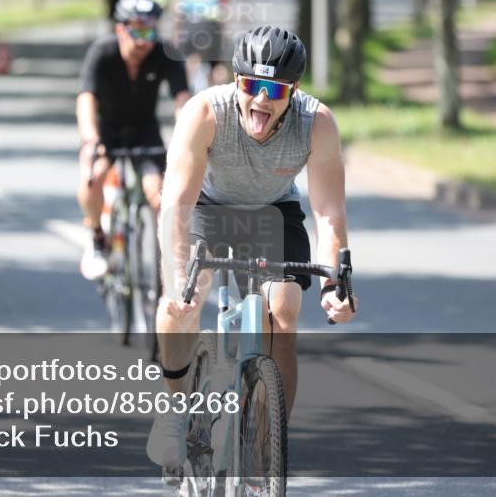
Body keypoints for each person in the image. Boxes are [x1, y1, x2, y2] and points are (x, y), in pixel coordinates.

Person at [147, 25, 357, 468]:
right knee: (180, 304)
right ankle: (174, 409)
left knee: (283, 311)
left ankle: (266, 444)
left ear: (294, 90)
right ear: (236, 81)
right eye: (251, 86)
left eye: (274, 90)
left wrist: (333, 285)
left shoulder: (316, 122)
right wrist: (177, 279)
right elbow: (176, 205)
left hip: (273, 212)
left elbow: (328, 213)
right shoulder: (206, 112)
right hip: (207, 207)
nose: (261, 100)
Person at [76, 0, 191, 280]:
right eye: (137, 32)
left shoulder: (165, 53)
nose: (144, 41)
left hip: (144, 132)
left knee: (160, 195)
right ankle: (96, 236)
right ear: (120, 29)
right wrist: (90, 139)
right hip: (107, 132)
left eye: (150, 32)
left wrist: (186, 138)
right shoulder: (102, 52)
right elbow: (86, 98)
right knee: (93, 177)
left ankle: (168, 264)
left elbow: (183, 101)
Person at [176, 0, 229, 93]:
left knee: (191, 60)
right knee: (216, 64)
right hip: (211, 27)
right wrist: (222, 38)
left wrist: (177, 35)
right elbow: (221, 15)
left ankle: (187, 93)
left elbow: (179, 14)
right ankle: (220, 96)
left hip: (191, 26)